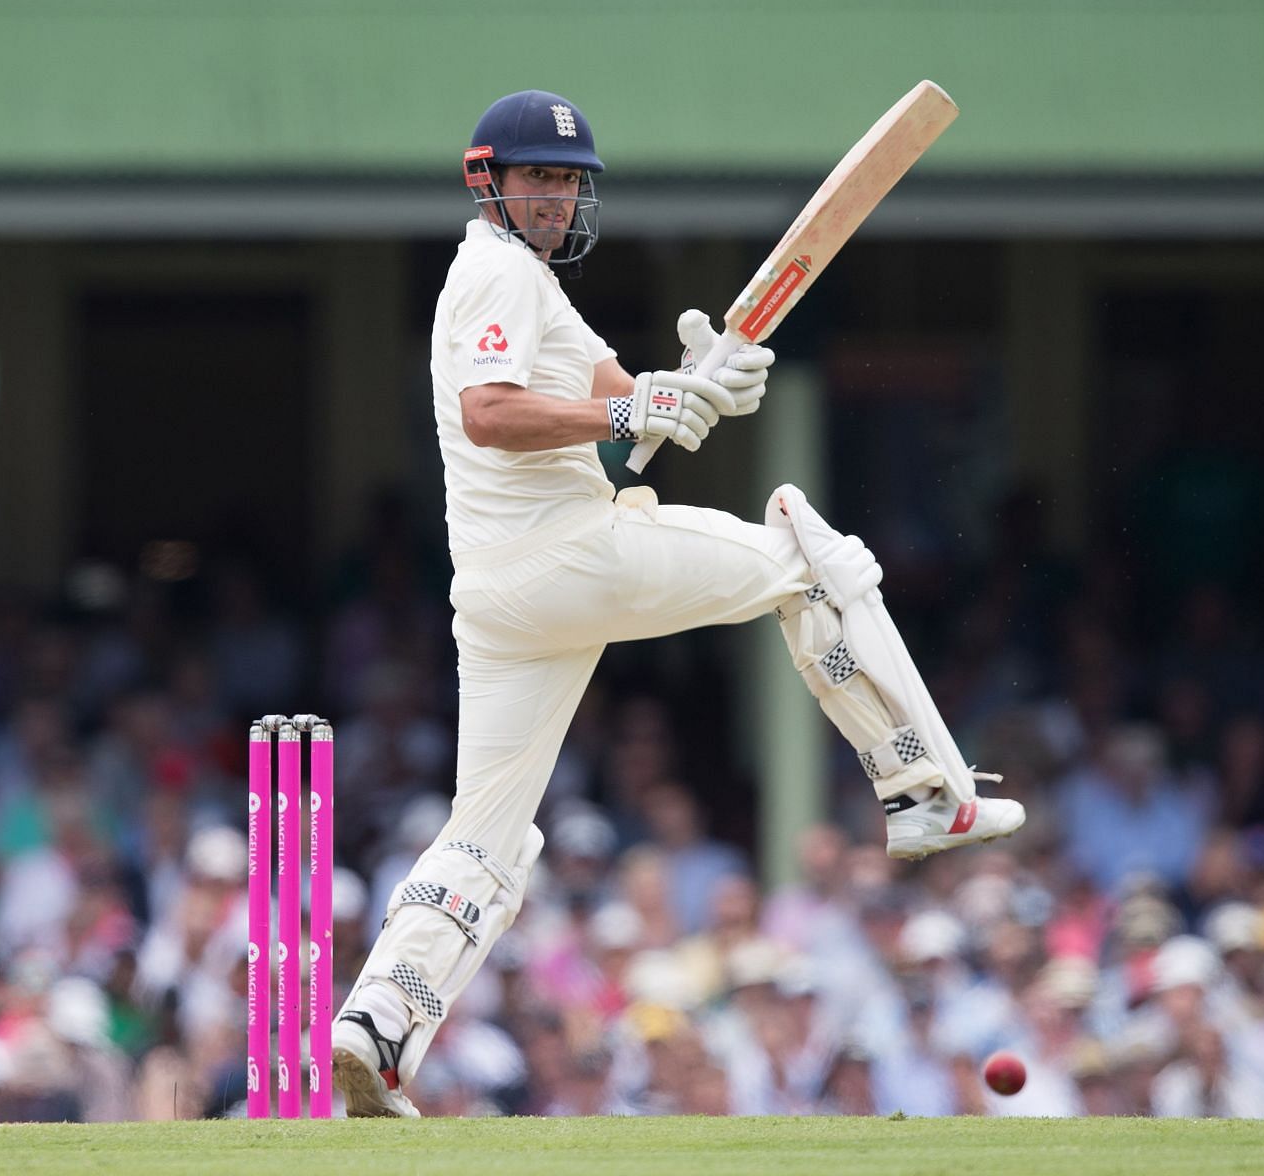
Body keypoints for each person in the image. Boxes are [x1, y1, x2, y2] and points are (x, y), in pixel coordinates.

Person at [329, 89, 1026, 1118]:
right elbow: (492, 413)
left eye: (570, 181)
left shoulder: (533, 286)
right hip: (562, 555)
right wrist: (633, 403)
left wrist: (699, 378)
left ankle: (379, 1025)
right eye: (540, 178)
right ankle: (922, 788)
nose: (559, 197)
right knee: (811, 557)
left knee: (488, 835)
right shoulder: (493, 270)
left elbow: (622, 416)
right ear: (490, 181)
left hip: (502, 596)